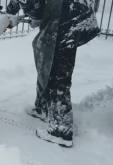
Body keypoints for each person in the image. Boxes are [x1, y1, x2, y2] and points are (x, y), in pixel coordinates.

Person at [6, 0, 99, 147]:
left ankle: (61, 131)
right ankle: (43, 108)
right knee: (47, 60)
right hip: (66, 13)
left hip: (68, 16)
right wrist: (10, 12)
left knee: (57, 71)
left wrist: (33, 15)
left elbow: (33, 4)